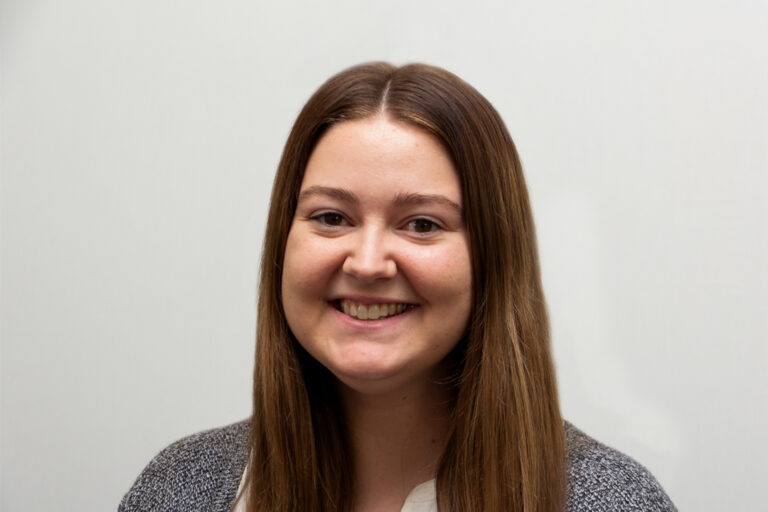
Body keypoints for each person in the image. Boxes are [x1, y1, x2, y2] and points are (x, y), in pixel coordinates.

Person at [120, 62, 676, 512]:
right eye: (331, 217)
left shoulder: (611, 502)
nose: (366, 263)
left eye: (422, 224)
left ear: (493, 259)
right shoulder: (181, 490)